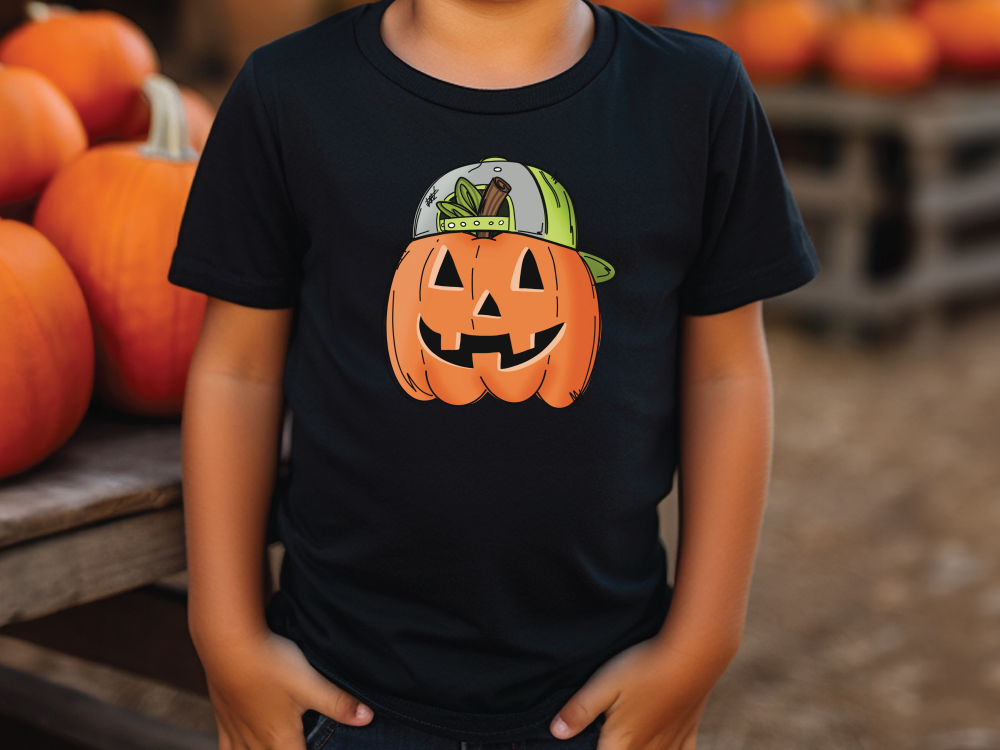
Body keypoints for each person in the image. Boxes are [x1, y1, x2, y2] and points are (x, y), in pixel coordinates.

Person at [166, 0, 821, 748]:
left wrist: (702, 643)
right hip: (342, 691)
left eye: (530, 281)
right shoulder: (288, 93)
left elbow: (726, 375)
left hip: (601, 699)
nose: (483, 309)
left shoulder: (695, 94)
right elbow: (238, 371)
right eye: (448, 280)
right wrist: (225, 635)